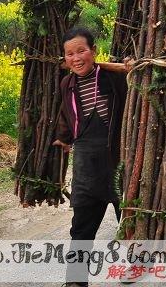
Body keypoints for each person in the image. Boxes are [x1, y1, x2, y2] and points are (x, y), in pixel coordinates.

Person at [53, 27, 128, 287]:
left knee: (127, 217)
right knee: (82, 225)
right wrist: (63, 137)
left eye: (81, 51)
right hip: (86, 163)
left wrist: (131, 69)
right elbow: (66, 115)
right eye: (70, 54)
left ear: (94, 51)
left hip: (117, 158)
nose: (76, 58)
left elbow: (135, 97)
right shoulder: (67, 84)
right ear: (65, 59)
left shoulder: (112, 76)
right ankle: (76, 280)